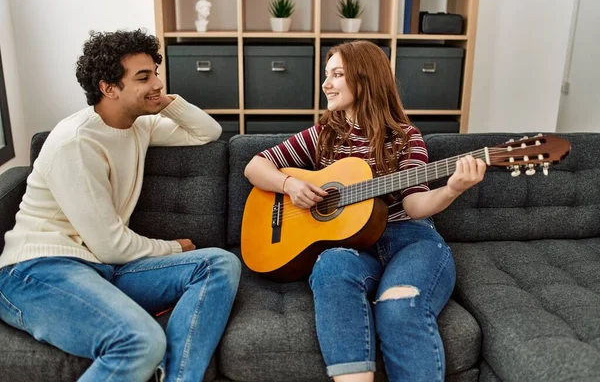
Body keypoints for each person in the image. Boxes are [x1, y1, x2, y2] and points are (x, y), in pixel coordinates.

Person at [0, 29, 240, 382]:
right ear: (108, 87)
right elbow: (111, 244)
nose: (156, 82)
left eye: (155, 72)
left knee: (219, 262)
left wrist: (167, 100)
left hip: (102, 268)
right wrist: (172, 248)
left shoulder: (138, 125)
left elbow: (206, 132)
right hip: (38, 271)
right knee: (140, 341)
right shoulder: (76, 141)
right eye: (143, 77)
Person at [243, 40, 486, 382]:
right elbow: (255, 166)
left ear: (366, 78)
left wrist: (452, 188)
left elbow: (416, 206)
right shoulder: (324, 135)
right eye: (327, 75)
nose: (326, 84)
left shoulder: (406, 138)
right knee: (329, 265)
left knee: (399, 308)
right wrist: (291, 186)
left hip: (410, 240)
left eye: (337, 74)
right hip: (353, 246)